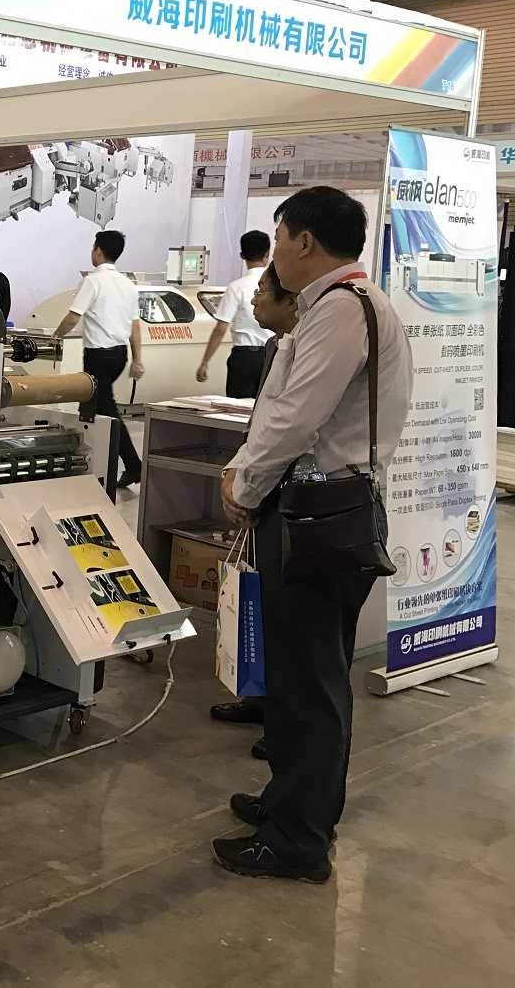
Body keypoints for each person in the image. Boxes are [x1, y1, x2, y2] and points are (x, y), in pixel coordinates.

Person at [213, 186, 412, 883]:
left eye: (279, 238)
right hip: (313, 508)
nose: (275, 254)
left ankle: (298, 838)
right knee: (300, 672)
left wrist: (246, 484)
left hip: (318, 514)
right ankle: (289, 801)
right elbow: (285, 412)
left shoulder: (342, 309)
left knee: (310, 681)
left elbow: (298, 417)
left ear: (303, 241)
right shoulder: (336, 306)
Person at [207, 264, 300, 756]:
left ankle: (285, 727)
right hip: (263, 488)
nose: (254, 299)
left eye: (263, 291)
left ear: (291, 300)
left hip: (294, 498)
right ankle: (260, 700)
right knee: (259, 605)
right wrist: (237, 472)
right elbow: (261, 424)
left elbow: (289, 430)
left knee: (291, 625)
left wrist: (245, 488)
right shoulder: (274, 347)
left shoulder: (310, 347)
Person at [53, 230, 144, 488]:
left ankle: (133, 466)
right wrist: (138, 359)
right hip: (119, 355)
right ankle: (90, 464)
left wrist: (55, 337)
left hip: (98, 357)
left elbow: (73, 317)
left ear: (99, 250)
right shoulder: (127, 284)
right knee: (92, 408)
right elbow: (134, 325)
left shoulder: (92, 281)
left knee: (106, 410)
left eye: (93, 247)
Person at [197, 230, 273, 398]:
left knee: (237, 408)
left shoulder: (236, 287)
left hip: (244, 358)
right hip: (272, 356)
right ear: (268, 254)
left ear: (242, 255)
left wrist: (205, 362)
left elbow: (220, 328)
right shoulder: (278, 285)